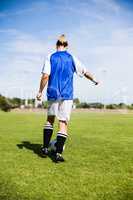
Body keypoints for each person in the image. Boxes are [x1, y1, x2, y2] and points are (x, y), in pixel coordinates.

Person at [36, 34, 98, 163]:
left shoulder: (50, 56)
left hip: (52, 93)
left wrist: (40, 91)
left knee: (50, 120)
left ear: (56, 45)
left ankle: (45, 149)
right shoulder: (71, 57)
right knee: (63, 123)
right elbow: (85, 71)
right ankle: (58, 154)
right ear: (67, 45)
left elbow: (45, 76)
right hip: (67, 95)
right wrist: (94, 79)